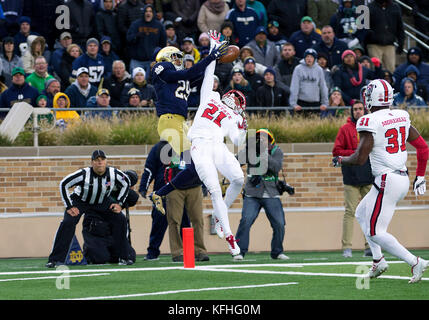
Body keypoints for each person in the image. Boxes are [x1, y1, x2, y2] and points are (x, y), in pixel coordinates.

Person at [332, 79, 429, 283]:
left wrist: (341, 159)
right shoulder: (401, 116)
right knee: (360, 213)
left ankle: (414, 261)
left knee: (376, 231)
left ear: (372, 97)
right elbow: (423, 147)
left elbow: (359, 158)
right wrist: (421, 175)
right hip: (400, 176)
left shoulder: (370, 120)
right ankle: (378, 260)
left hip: (387, 180)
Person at [185, 31, 248, 256]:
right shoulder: (210, 96)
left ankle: (221, 221)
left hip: (218, 146)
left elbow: (239, 141)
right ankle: (231, 240)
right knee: (213, 190)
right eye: (235, 97)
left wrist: (243, 129)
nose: (235, 100)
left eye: (239, 101)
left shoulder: (234, 118)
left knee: (239, 179)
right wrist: (213, 48)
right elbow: (208, 74)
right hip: (200, 144)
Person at [46, 149, 131, 268]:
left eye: (102, 160)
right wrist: (69, 206)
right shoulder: (83, 174)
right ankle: (55, 260)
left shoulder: (114, 174)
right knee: (68, 222)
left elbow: (126, 182)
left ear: (106, 161)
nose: (100, 162)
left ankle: (124, 257)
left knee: (120, 220)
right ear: (92, 163)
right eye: (97, 160)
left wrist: (119, 203)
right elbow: (64, 184)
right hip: (81, 201)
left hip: (102, 201)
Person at [234, 128, 291, 261]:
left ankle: (277, 252)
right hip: (252, 193)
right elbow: (235, 162)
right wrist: (247, 150)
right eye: (259, 138)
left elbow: (276, 167)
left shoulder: (276, 151)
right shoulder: (251, 150)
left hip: (271, 193)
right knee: (246, 220)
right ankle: (239, 252)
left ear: (271, 141)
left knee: (279, 223)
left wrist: (264, 153)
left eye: (265, 139)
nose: (261, 141)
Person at [138, 141, 194, 261]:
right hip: (161, 194)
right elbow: (149, 169)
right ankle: (152, 252)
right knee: (158, 223)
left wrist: (203, 186)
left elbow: (194, 169)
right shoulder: (158, 148)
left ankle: (189, 252)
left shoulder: (185, 148)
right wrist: (143, 187)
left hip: (180, 192)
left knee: (184, 223)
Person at [332, 100, 373, 258]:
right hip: (350, 175)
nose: (358, 111)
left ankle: (370, 246)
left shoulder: (370, 128)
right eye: (355, 109)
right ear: (351, 111)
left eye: (360, 109)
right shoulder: (345, 129)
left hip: (368, 175)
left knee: (369, 212)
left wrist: (360, 153)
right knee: (350, 212)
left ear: (364, 110)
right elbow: (336, 150)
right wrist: (357, 152)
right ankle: (347, 247)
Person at [126, 3, 166, 75]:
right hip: (137, 60)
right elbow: (128, 39)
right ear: (143, 13)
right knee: (136, 81)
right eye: (146, 11)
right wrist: (136, 36)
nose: (148, 13)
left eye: (150, 11)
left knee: (151, 83)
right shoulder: (136, 24)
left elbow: (163, 43)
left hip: (152, 61)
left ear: (153, 13)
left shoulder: (159, 25)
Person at [366, 0, 405, 73]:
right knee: (376, 69)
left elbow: (400, 26)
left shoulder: (395, 7)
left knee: (391, 70)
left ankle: (389, 85)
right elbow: (364, 27)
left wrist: (401, 43)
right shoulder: (370, 7)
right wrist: (369, 38)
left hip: (390, 44)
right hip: (373, 44)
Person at [289, 48, 329, 116]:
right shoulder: (298, 69)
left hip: (315, 102)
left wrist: (324, 103)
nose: (309, 59)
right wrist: (293, 104)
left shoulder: (319, 69)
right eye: (307, 57)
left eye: (311, 57)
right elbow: (294, 86)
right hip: (301, 102)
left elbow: (323, 87)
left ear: (315, 59)